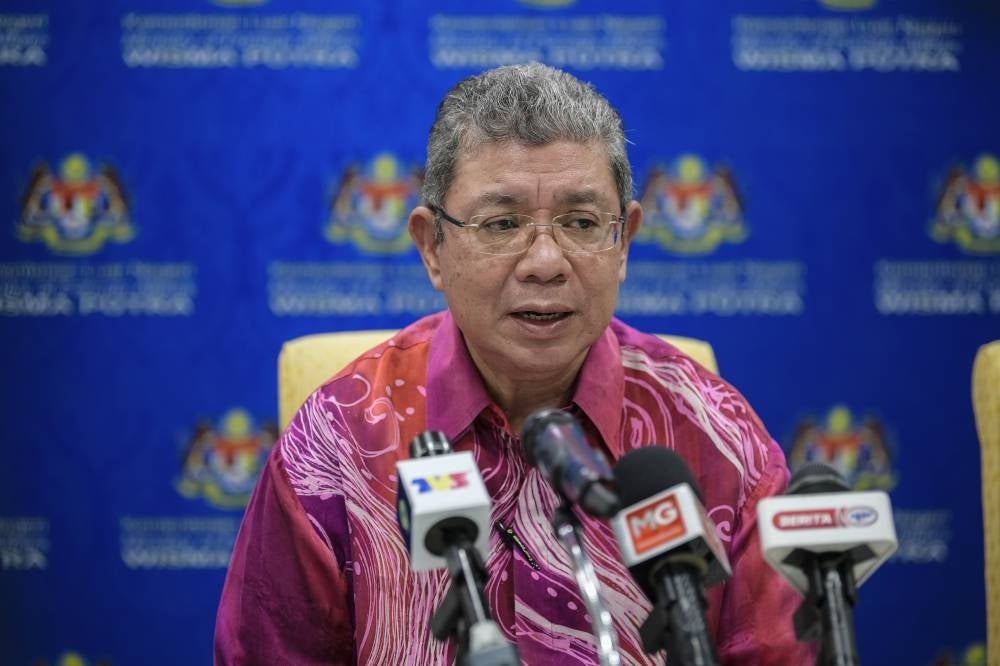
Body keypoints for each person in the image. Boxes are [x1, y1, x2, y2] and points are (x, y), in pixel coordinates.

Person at [215, 63, 811, 665]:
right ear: (432, 248)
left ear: (624, 242)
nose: (546, 262)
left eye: (581, 223)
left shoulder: (718, 440)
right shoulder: (338, 446)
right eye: (502, 224)